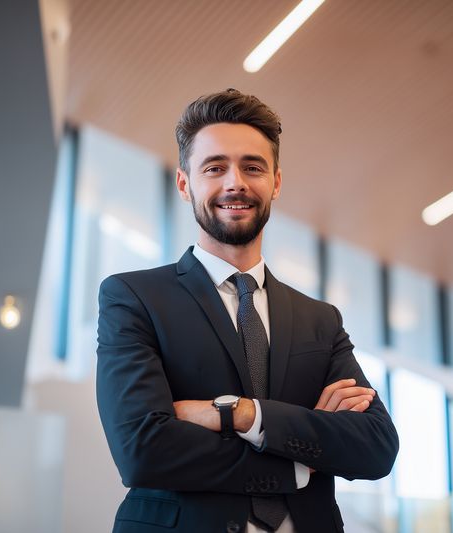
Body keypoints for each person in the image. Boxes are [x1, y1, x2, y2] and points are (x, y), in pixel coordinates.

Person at [96, 89, 399, 533]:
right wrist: (298, 462)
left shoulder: (320, 320)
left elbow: (375, 446)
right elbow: (142, 450)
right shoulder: (134, 297)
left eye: (252, 167)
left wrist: (238, 413)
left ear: (275, 181)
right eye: (215, 167)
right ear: (185, 184)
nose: (234, 182)